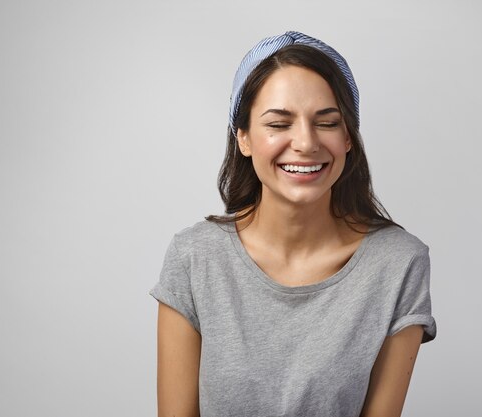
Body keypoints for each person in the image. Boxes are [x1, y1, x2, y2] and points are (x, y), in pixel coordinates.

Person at [149, 31, 436, 417]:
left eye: (327, 122)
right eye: (279, 124)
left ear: (348, 137)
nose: (305, 142)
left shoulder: (399, 263)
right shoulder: (194, 257)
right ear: (244, 138)